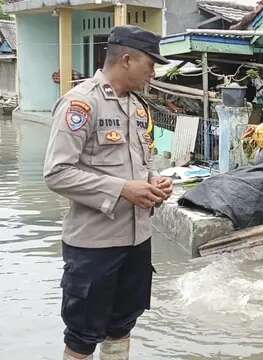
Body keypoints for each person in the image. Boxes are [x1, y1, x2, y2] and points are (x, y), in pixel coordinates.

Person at [43, 25, 173, 360]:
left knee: (122, 327)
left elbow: (140, 165)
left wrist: (154, 181)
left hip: (136, 241)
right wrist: (122, 190)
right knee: (82, 337)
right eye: (151, 64)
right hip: (94, 246)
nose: (154, 72)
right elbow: (57, 173)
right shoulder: (81, 104)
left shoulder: (138, 108)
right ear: (127, 59)